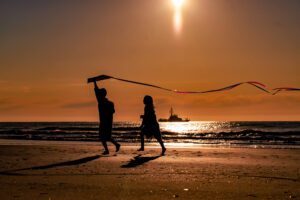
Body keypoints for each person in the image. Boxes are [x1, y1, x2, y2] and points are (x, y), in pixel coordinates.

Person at [93, 81, 120, 155]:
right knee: (107, 136)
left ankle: (108, 149)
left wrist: (94, 83)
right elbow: (113, 111)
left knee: (102, 136)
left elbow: (96, 91)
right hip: (109, 122)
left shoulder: (100, 102)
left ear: (101, 95)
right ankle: (116, 145)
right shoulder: (111, 103)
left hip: (104, 121)